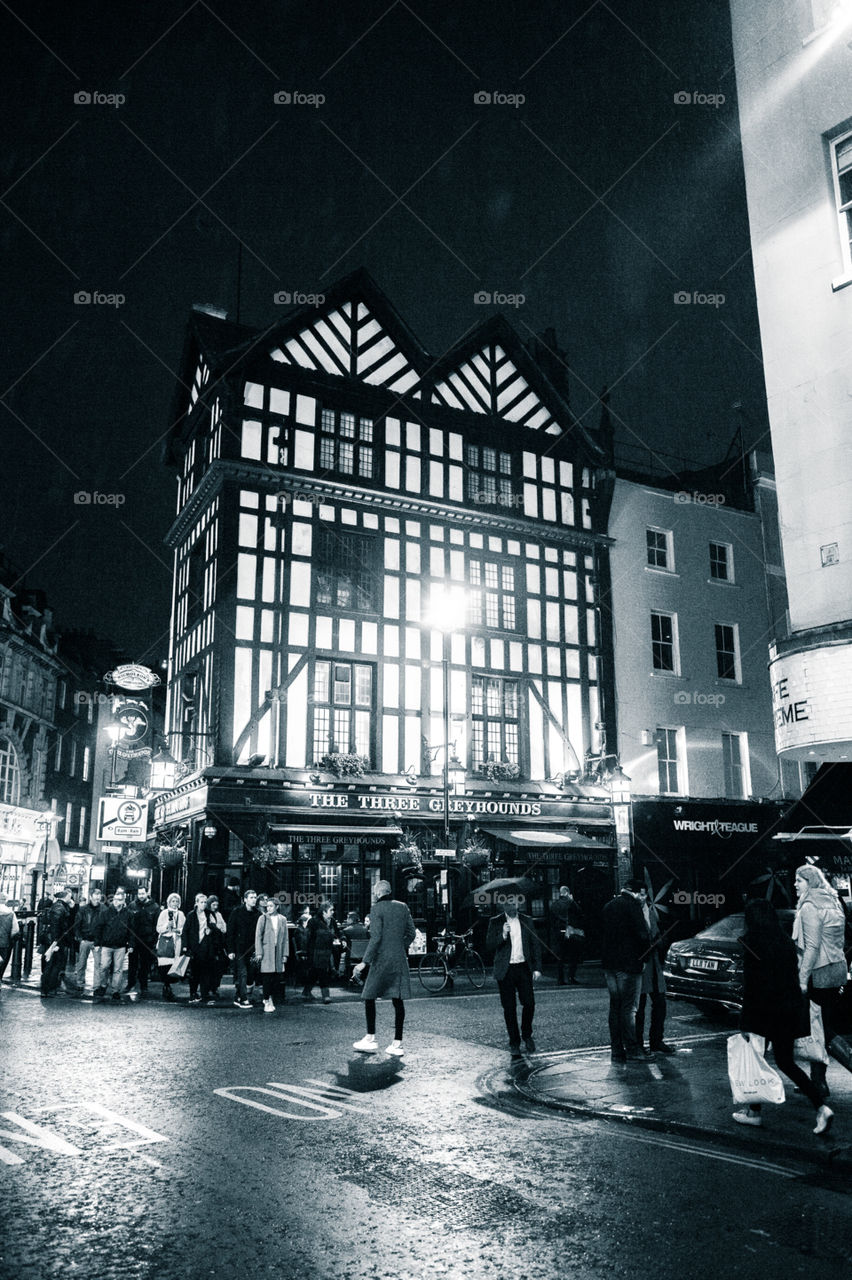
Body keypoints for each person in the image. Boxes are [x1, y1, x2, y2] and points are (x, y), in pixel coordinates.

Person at [733, 897, 833, 1135]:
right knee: (785, 1062)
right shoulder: (785, 941)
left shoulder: (751, 943)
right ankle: (821, 1107)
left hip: (763, 1012)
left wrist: (744, 1022)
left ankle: (754, 1113)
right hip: (788, 1010)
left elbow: (752, 986)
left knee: (755, 1059)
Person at [793, 864, 850, 1094]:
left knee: (822, 1029)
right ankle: (818, 1082)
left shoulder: (810, 906)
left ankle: (820, 1081)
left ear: (810, 882)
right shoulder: (834, 902)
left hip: (818, 973)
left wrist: (801, 978)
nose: (795, 884)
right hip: (836, 970)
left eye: (799, 880)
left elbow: (812, 947)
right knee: (820, 1026)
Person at [353, 880, 416, 1056]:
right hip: (398, 959)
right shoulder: (403, 907)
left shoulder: (376, 909)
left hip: (381, 959)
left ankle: (370, 1038)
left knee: (369, 995)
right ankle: (397, 1044)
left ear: (378, 893)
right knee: (398, 1000)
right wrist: (399, 946)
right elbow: (411, 933)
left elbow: (376, 938)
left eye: (375, 892)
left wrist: (364, 962)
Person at [486, 892, 543, 1058]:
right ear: (503, 906)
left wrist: (537, 968)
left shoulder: (526, 920)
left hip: (523, 967)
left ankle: (527, 1034)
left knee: (529, 1003)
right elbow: (489, 945)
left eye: (514, 903)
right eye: (508, 904)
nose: (512, 907)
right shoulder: (496, 922)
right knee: (509, 1008)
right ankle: (514, 1042)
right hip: (506, 970)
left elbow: (535, 944)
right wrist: (502, 935)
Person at [600, 877, 651, 1062]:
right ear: (635, 892)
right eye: (641, 894)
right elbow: (643, 935)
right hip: (629, 965)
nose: (642, 898)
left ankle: (616, 1050)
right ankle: (632, 1049)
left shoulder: (608, 906)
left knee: (615, 1007)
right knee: (629, 1008)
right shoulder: (633, 906)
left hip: (610, 966)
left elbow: (600, 935)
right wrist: (644, 958)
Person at [635, 885, 675, 1055]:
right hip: (640, 966)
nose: (641, 897)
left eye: (643, 894)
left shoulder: (650, 912)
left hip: (654, 965)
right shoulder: (632, 912)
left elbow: (656, 933)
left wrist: (659, 941)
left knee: (660, 1003)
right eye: (639, 894)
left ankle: (656, 1041)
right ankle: (637, 1044)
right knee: (639, 1007)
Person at [94, 886, 134, 1002]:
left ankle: (115, 990)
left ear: (123, 901)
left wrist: (131, 944)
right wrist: (97, 943)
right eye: (115, 899)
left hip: (120, 946)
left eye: (120, 900)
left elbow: (131, 930)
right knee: (104, 966)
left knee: (118, 969)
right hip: (106, 945)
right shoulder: (105, 913)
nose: (117, 902)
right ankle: (103, 985)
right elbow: (99, 928)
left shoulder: (128, 914)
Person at [182, 893, 222, 1005]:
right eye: (201, 902)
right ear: (197, 903)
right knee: (194, 971)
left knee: (206, 971)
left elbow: (216, 929)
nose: (203, 904)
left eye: (205, 902)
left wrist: (211, 930)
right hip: (194, 946)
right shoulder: (191, 915)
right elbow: (185, 931)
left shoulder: (209, 914)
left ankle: (204, 994)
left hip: (206, 946)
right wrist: (185, 946)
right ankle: (193, 993)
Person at [254, 895, 289, 1012]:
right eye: (267, 906)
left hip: (278, 951)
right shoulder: (262, 918)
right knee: (267, 977)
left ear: (277, 907)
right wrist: (259, 952)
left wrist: (285, 954)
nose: (268, 908)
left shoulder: (282, 919)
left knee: (276, 978)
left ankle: (270, 998)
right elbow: (258, 936)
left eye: (271, 906)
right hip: (266, 951)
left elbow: (285, 939)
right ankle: (267, 1000)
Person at [39, 888, 76, 997]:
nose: (71, 898)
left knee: (54, 964)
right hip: (56, 941)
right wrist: (55, 942)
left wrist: (72, 908)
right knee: (53, 964)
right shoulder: (59, 908)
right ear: (65, 897)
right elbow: (56, 926)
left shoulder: (61, 906)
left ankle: (49, 988)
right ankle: (48, 988)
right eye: (70, 896)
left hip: (57, 940)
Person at [227, 888, 260, 1008]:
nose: (254, 900)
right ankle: (243, 999)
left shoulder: (258, 914)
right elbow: (230, 931)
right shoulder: (236, 912)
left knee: (250, 974)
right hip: (239, 947)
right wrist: (230, 950)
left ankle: (238, 995)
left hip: (252, 948)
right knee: (242, 973)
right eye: (251, 897)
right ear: (245, 899)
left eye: (255, 897)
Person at [71, 887, 106, 993]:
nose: (97, 897)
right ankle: (80, 982)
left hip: (97, 941)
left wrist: (101, 940)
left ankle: (97, 985)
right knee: (82, 963)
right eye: (96, 895)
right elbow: (77, 924)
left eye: (99, 895)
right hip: (85, 939)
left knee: (98, 964)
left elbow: (105, 925)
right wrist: (80, 938)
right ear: (91, 897)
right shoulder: (83, 909)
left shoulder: (104, 909)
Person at [128, 886, 160, 998]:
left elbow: (156, 924)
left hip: (147, 940)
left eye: (143, 893)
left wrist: (154, 939)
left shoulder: (155, 907)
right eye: (139, 893)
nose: (141, 896)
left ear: (147, 893)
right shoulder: (132, 905)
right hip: (134, 939)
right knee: (132, 963)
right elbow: (128, 923)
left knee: (145, 965)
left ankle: (143, 986)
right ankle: (130, 984)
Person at [549, 886, 584, 985]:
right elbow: (579, 913)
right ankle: (571, 977)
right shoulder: (571, 903)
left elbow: (551, 919)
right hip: (570, 931)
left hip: (558, 932)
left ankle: (560, 978)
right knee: (573, 954)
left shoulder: (554, 904)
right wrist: (572, 900)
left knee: (560, 956)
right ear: (567, 893)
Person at [302, 903, 337, 1003]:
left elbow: (338, 933)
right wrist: (306, 952)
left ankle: (306, 991)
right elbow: (307, 937)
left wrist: (342, 939)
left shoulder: (332, 921)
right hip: (316, 951)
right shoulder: (314, 921)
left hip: (328, 951)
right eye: (331, 910)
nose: (333, 912)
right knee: (322, 971)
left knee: (315, 972)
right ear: (324, 912)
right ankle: (326, 995)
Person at [155, 893, 185, 1001]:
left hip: (176, 941)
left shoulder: (181, 914)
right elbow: (158, 928)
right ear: (169, 902)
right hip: (165, 941)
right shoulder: (164, 913)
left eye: (177, 901)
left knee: (174, 965)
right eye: (173, 901)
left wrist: (178, 930)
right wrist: (166, 926)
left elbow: (184, 928)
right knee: (165, 964)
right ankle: (166, 986)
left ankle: (170, 987)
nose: (175, 903)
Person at [204, 895, 229, 998]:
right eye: (213, 905)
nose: (215, 907)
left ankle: (215, 987)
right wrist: (217, 928)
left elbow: (224, 927)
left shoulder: (218, 914)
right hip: (210, 944)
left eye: (216, 905)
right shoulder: (206, 914)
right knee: (210, 967)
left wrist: (218, 928)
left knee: (219, 966)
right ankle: (209, 988)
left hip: (219, 944)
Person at [342, 911, 369, 982]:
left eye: (347, 918)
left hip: (351, 956)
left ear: (351, 919)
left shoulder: (346, 930)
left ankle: (347, 976)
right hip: (364, 955)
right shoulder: (365, 929)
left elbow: (343, 942)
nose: (346, 920)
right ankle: (362, 977)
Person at [0, 893, 20, 984]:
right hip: (4, 942)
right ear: (6, 901)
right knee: (2, 963)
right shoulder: (11, 913)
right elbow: (15, 930)